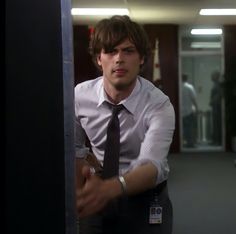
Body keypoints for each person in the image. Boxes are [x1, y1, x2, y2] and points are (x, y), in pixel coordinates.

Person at [75, 15, 175, 234]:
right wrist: (81, 191)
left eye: (128, 51)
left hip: (145, 195)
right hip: (98, 192)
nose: (119, 59)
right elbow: (73, 150)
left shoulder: (159, 104)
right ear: (98, 59)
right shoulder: (79, 97)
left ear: (141, 59)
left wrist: (110, 188)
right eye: (111, 51)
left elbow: (152, 164)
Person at [181, 74, 198, 147]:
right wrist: (197, 108)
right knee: (190, 127)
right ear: (187, 78)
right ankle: (190, 143)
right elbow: (193, 99)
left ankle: (184, 142)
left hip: (181, 111)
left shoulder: (179, 87)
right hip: (189, 111)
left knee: (184, 128)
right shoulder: (189, 87)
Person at [209, 70, 222, 145]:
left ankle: (217, 141)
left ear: (216, 76)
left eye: (213, 75)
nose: (211, 77)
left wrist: (212, 101)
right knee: (215, 124)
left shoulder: (218, 84)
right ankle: (215, 140)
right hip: (215, 106)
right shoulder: (215, 84)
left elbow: (219, 95)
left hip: (217, 107)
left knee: (217, 124)